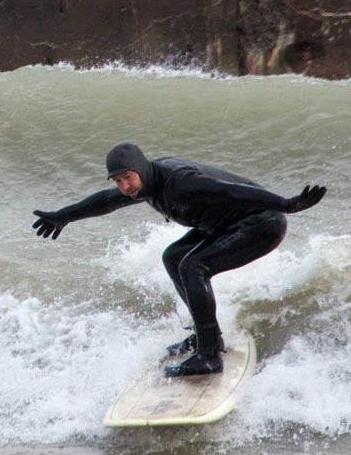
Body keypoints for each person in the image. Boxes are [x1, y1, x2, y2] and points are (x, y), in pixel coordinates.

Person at [32, 143, 325, 378]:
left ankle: (209, 356)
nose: (125, 186)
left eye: (128, 178)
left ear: (141, 170)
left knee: (193, 266)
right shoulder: (145, 185)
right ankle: (205, 337)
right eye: (119, 181)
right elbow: (106, 201)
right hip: (227, 224)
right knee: (173, 256)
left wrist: (286, 204)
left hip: (262, 223)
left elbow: (231, 191)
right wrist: (63, 217)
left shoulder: (179, 183)